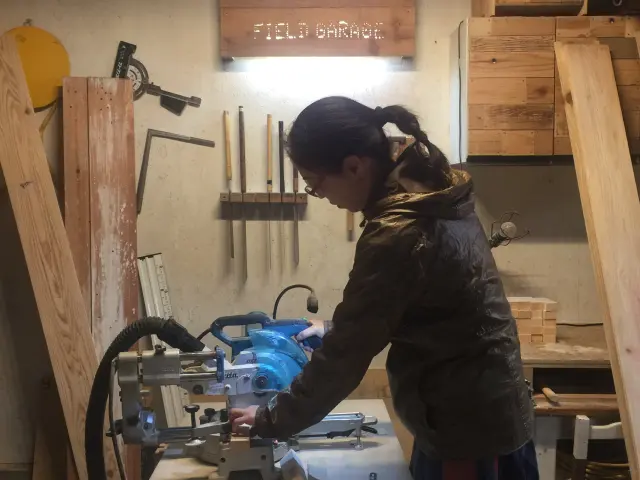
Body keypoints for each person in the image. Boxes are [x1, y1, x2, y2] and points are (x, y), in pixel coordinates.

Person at [230, 96, 538, 479]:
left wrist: (268, 419)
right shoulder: (433, 191)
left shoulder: (399, 231)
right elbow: (428, 306)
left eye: (315, 184)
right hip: (482, 410)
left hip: (465, 431)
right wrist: (337, 328)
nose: (322, 197)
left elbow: (344, 358)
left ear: (354, 166)